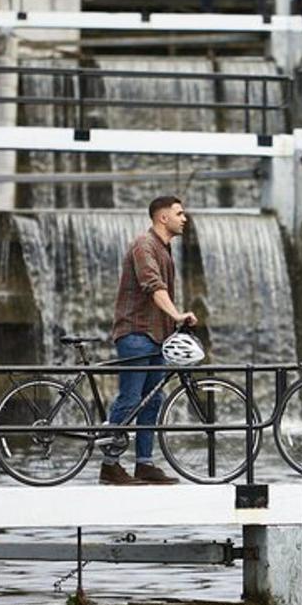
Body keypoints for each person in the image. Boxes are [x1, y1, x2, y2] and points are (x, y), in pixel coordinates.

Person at [102, 196, 199, 486]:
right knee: (131, 399)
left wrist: (173, 324)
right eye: (179, 213)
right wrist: (177, 314)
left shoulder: (164, 249)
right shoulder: (144, 246)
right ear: (162, 218)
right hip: (136, 334)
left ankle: (144, 464)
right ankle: (109, 465)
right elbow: (152, 286)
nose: (185, 218)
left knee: (152, 400)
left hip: (156, 336)